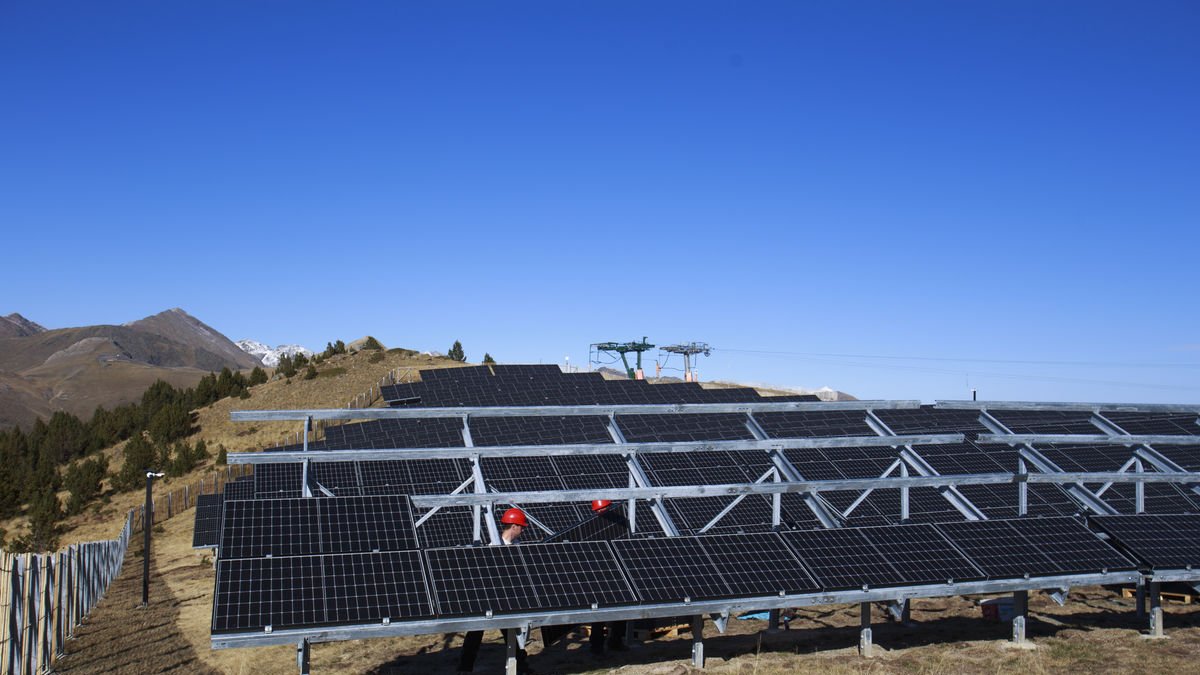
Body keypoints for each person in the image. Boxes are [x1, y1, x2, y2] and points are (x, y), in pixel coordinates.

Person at [458, 508, 535, 674]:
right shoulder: (492, 545)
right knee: (475, 634)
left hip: (506, 598)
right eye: (521, 527)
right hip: (487, 596)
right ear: (514, 526)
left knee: (511, 635)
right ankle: (465, 668)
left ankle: (521, 666)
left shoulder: (517, 546)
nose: (523, 530)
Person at [587, 500, 627, 656]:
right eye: (599, 510)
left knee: (622, 609)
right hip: (600, 576)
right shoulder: (591, 529)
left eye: (603, 509)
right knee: (598, 614)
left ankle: (616, 641)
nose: (601, 513)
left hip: (618, 573)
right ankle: (597, 647)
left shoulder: (620, 524)